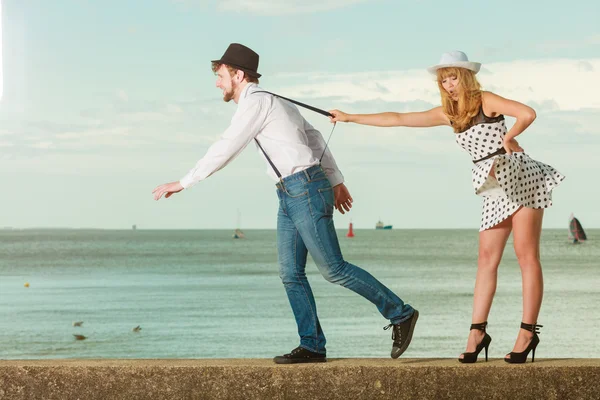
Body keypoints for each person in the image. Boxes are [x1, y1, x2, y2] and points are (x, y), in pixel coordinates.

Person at [152, 43, 419, 363]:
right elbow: (316, 137)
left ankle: (400, 313)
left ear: (238, 75)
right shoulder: (274, 102)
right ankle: (312, 345)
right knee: (290, 273)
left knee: (333, 269)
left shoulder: (256, 104)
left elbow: (228, 146)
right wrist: (335, 180)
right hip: (292, 191)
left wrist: (185, 182)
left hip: (304, 188)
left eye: (220, 75)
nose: (217, 82)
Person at [329, 51, 564, 364]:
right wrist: (350, 117)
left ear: (465, 76)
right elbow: (399, 119)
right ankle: (477, 333)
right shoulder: (449, 113)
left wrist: (509, 137)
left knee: (526, 256)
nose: (449, 84)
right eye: (443, 80)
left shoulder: (486, 100)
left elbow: (528, 113)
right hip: (492, 187)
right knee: (486, 259)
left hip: (519, 175)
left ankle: (527, 333)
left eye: (453, 77)